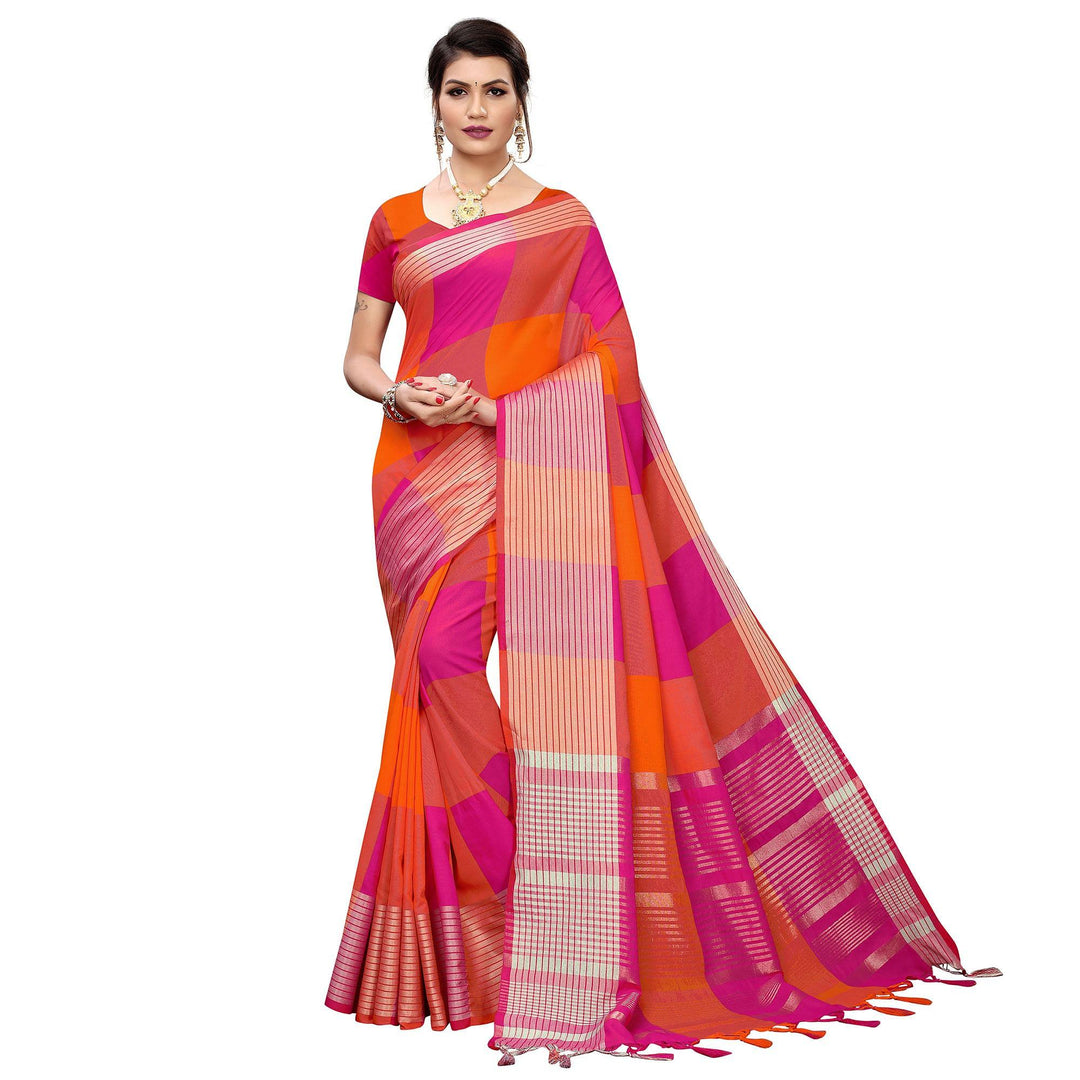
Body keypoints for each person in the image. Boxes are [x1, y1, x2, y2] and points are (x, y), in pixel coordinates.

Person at [324, 17, 1001, 1068]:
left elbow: (615, 363)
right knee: (438, 671)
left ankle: (557, 904)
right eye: (458, 92)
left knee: (474, 670)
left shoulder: (563, 221)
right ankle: (532, 906)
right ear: (434, 103)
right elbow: (358, 355)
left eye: (495, 91)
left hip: (538, 476)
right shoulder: (393, 221)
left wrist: (503, 414)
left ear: (521, 102)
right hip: (418, 480)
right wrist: (399, 392)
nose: (476, 110)